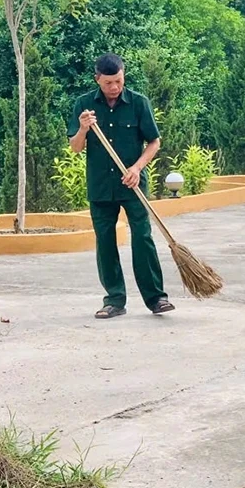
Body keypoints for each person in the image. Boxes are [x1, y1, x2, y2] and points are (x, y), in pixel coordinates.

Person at [68, 53, 174, 319]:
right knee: (105, 242)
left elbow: (154, 142)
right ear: (97, 80)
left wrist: (137, 168)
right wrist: (83, 130)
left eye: (118, 81)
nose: (114, 87)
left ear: (123, 75)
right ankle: (114, 300)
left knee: (143, 238)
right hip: (101, 186)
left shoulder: (139, 103)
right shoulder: (84, 106)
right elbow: (75, 148)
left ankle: (156, 298)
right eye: (108, 83)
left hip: (133, 184)